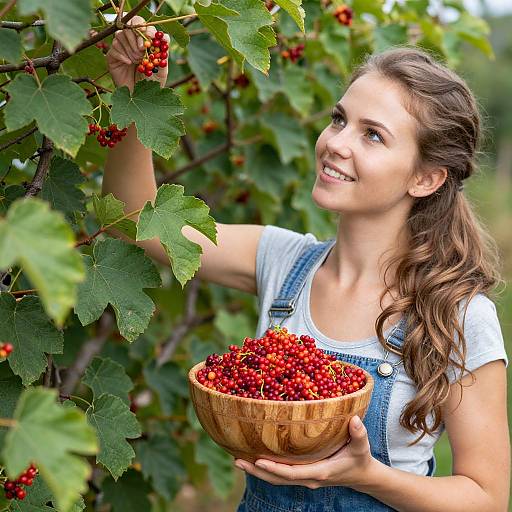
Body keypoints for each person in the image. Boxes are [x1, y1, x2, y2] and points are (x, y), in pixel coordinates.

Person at [104, 17, 510, 512]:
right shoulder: (281, 261)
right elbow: (137, 224)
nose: (336, 143)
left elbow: (486, 498)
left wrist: (369, 477)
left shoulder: (459, 314)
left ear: (426, 178)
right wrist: (136, 95)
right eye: (339, 119)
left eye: (373, 136)